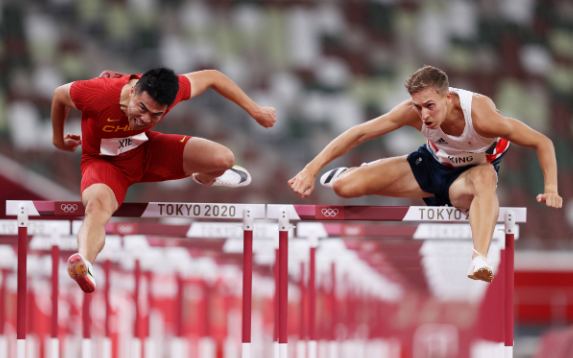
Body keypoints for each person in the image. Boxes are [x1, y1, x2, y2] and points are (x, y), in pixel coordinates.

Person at [289, 65, 562, 283]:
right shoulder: (414, 112)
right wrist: (311, 169)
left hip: (467, 181)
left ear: (449, 97)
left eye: (429, 106)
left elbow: (542, 142)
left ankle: (479, 258)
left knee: (486, 176)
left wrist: (550, 187)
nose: (423, 115)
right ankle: (353, 172)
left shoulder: (482, 116)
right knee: (343, 187)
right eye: (418, 106)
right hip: (431, 167)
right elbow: (360, 132)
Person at [52, 68, 276, 292]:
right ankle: (85, 263)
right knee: (97, 207)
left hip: (147, 152)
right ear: (132, 92)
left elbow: (213, 78)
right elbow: (60, 95)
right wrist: (59, 140)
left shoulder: (174, 89)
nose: (145, 119)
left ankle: (206, 178)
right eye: (142, 109)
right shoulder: (98, 93)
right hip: (105, 165)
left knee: (225, 158)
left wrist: (255, 111)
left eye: (156, 115)